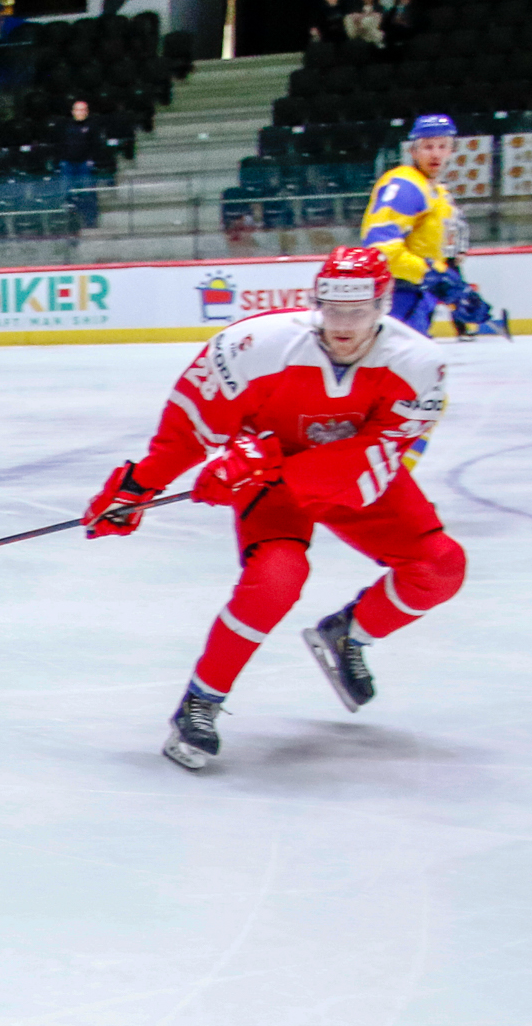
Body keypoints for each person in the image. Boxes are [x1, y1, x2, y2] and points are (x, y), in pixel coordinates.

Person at [80, 246, 457, 771]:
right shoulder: (256, 346)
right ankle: (201, 701)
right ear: (315, 303)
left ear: (383, 306)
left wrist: (260, 464)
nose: (344, 325)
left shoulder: (419, 365)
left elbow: (369, 464)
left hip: (337, 477)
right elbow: (190, 427)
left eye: (359, 311)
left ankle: (349, 633)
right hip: (269, 478)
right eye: (333, 309)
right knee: (277, 576)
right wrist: (137, 488)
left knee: (440, 567)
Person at [363, 114, 463, 337]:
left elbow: (431, 249)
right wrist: (429, 275)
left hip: (418, 293)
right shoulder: (406, 184)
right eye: (428, 146)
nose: (436, 153)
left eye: (442, 146)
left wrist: (453, 287)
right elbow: (380, 245)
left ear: (451, 150)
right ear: (413, 151)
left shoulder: (439, 192)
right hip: (400, 292)